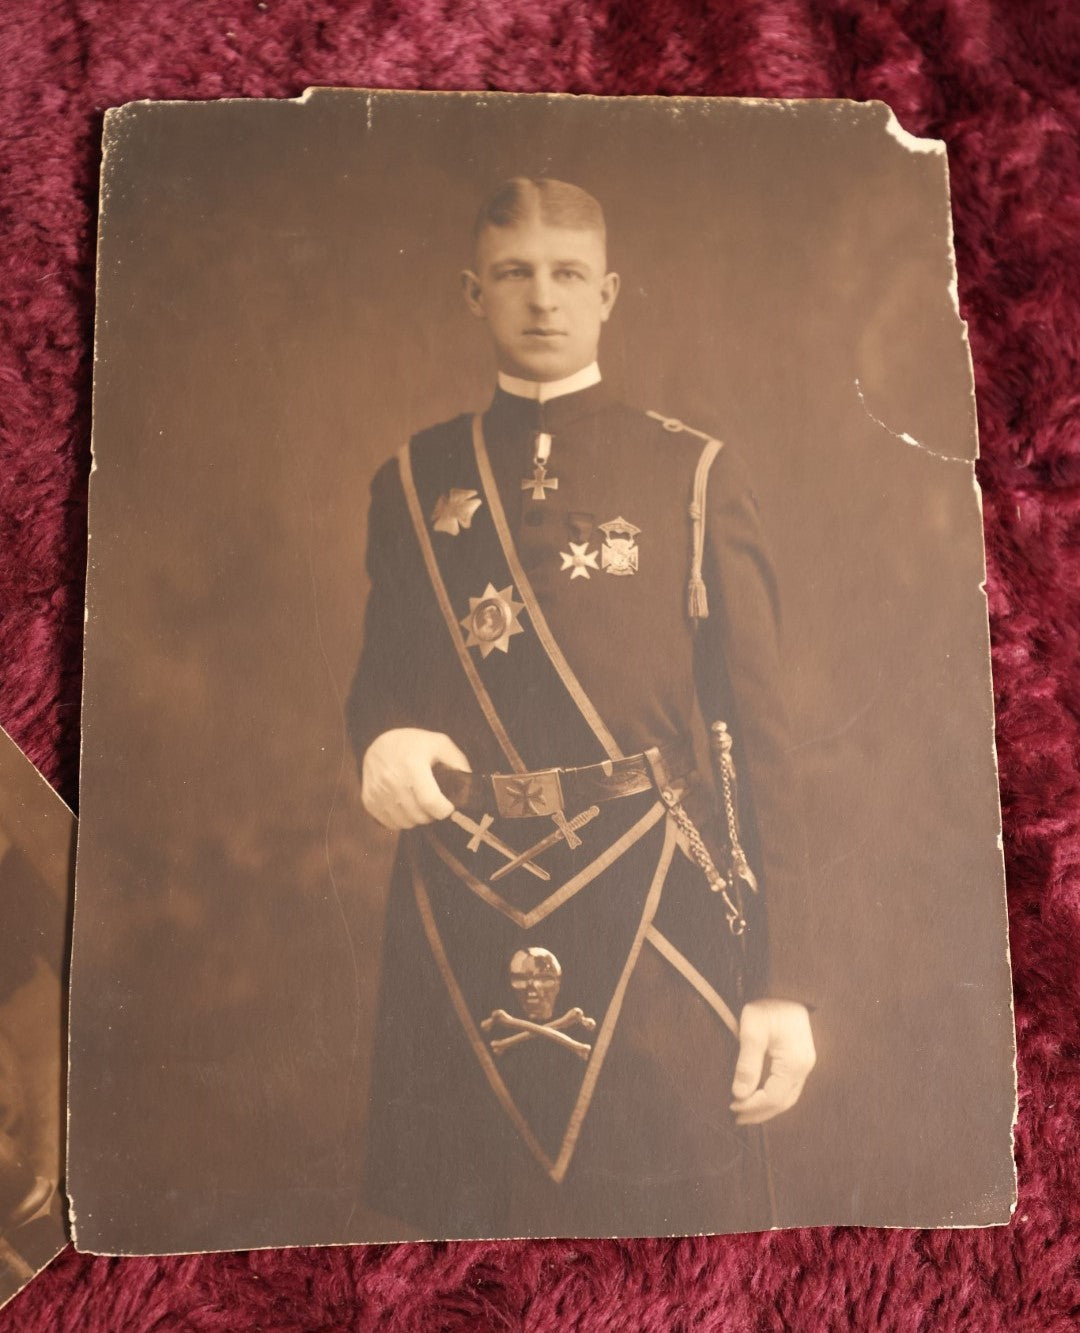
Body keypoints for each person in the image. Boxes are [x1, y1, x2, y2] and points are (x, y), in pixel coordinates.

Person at [347, 177, 817, 1238]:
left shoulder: (691, 472)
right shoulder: (415, 480)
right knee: (455, 1241)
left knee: (671, 1232)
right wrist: (377, 737)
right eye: (515, 274)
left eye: (566, 276)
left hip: (649, 902)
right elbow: (379, 682)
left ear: (609, 293)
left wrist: (784, 981)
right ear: (475, 293)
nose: (542, 300)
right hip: (459, 902)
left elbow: (764, 741)